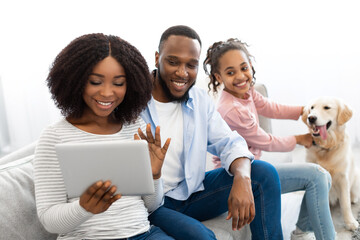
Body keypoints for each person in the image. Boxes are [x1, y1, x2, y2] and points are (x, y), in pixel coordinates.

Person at [141, 25, 283, 240]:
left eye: (191, 65)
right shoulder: (134, 101)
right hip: (153, 203)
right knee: (202, 236)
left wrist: (243, 177)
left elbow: (229, 142)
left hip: (192, 193)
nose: (182, 72)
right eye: (173, 62)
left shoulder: (199, 100)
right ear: (157, 58)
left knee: (263, 173)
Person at [33, 33, 174, 240]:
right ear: (76, 80)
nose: (108, 93)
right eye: (96, 82)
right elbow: (49, 220)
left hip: (143, 234)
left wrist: (154, 176)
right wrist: (84, 208)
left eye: (118, 83)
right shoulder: (54, 137)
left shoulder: (135, 127)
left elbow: (152, 205)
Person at [203, 38, 336, 240]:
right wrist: (301, 139)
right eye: (230, 73)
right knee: (317, 175)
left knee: (323, 176)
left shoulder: (246, 92)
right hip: (233, 179)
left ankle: (301, 231)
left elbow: (271, 108)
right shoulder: (232, 110)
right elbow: (266, 141)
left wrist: (303, 111)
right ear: (218, 77)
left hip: (254, 168)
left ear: (250, 66)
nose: (240, 76)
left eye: (244, 68)